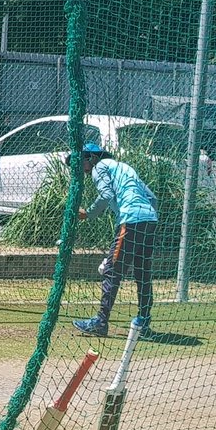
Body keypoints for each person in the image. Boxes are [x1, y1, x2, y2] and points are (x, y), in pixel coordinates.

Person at [69, 142, 160, 340]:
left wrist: (89, 214)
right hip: (150, 221)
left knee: (112, 271)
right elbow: (152, 198)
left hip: (131, 221)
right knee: (142, 273)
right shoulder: (124, 167)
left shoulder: (99, 167)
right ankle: (144, 324)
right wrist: (143, 216)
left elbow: (106, 194)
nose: (80, 169)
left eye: (80, 163)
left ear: (91, 157)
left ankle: (100, 323)